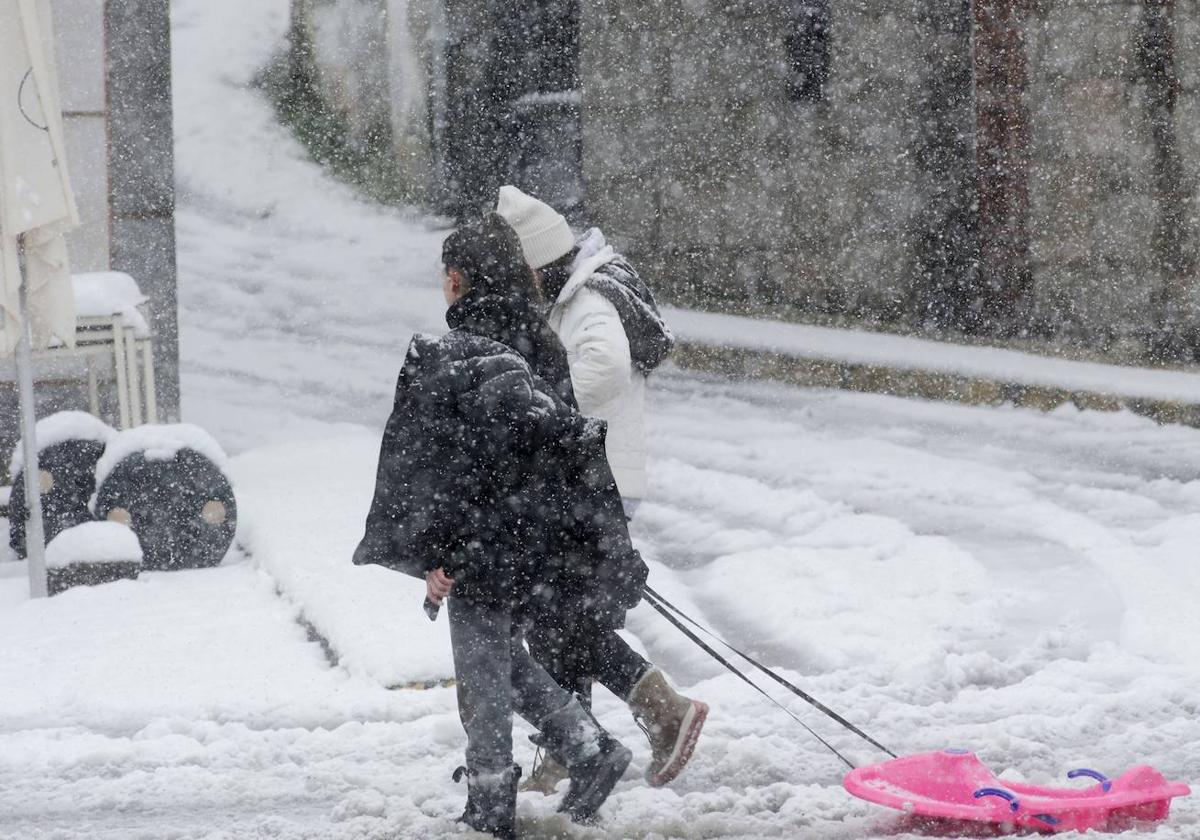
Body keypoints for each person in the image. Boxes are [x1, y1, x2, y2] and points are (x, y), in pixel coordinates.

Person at [353, 215, 645, 839]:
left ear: (455, 280)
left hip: (487, 538)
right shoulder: (538, 337)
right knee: (500, 658)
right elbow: (551, 444)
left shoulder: (463, 348)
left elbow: (453, 468)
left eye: (445, 277)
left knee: (481, 667)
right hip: (537, 537)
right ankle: (589, 749)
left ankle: (491, 793)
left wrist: (445, 552)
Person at [496, 186, 707, 791]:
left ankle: (657, 709)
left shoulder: (586, 303)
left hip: (598, 482)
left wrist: (542, 408)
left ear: (537, 264)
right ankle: (575, 745)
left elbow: (607, 369)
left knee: (557, 613)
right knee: (559, 613)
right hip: (590, 481)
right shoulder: (569, 299)